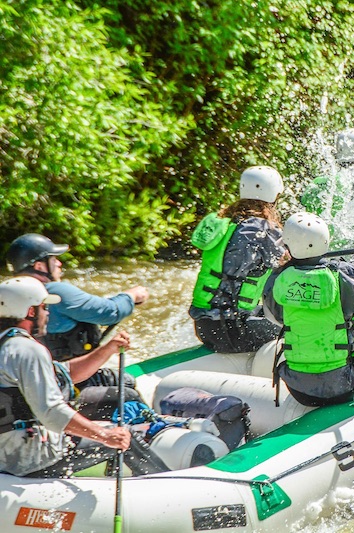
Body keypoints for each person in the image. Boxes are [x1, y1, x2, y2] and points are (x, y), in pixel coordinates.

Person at [0, 276, 169, 478]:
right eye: (44, 308)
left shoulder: (8, 344)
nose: (47, 314)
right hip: (26, 458)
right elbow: (52, 413)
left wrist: (108, 349)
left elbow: (64, 374)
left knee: (114, 402)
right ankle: (170, 488)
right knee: (126, 437)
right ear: (30, 311)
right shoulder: (28, 349)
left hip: (12, 447)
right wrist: (105, 435)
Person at [263, 212, 354, 408]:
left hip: (298, 389)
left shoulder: (277, 279)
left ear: (289, 246)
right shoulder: (342, 274)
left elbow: (276, 315)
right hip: (344, 386)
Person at [6, 233, 148, 388]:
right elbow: (109, 312)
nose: (59, 263)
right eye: (53, 259)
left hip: (35, 380)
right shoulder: (56, 291)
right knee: (126, 382)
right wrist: (131, 296)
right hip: (68, 378)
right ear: (39, 266)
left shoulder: (9, 294)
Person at [189, 165, 286, 353]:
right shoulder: (265, 230)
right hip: (233, 331)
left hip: (203, 327)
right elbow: (290, 262)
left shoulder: (224, 221)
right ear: (273, 197)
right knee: (297, 328)